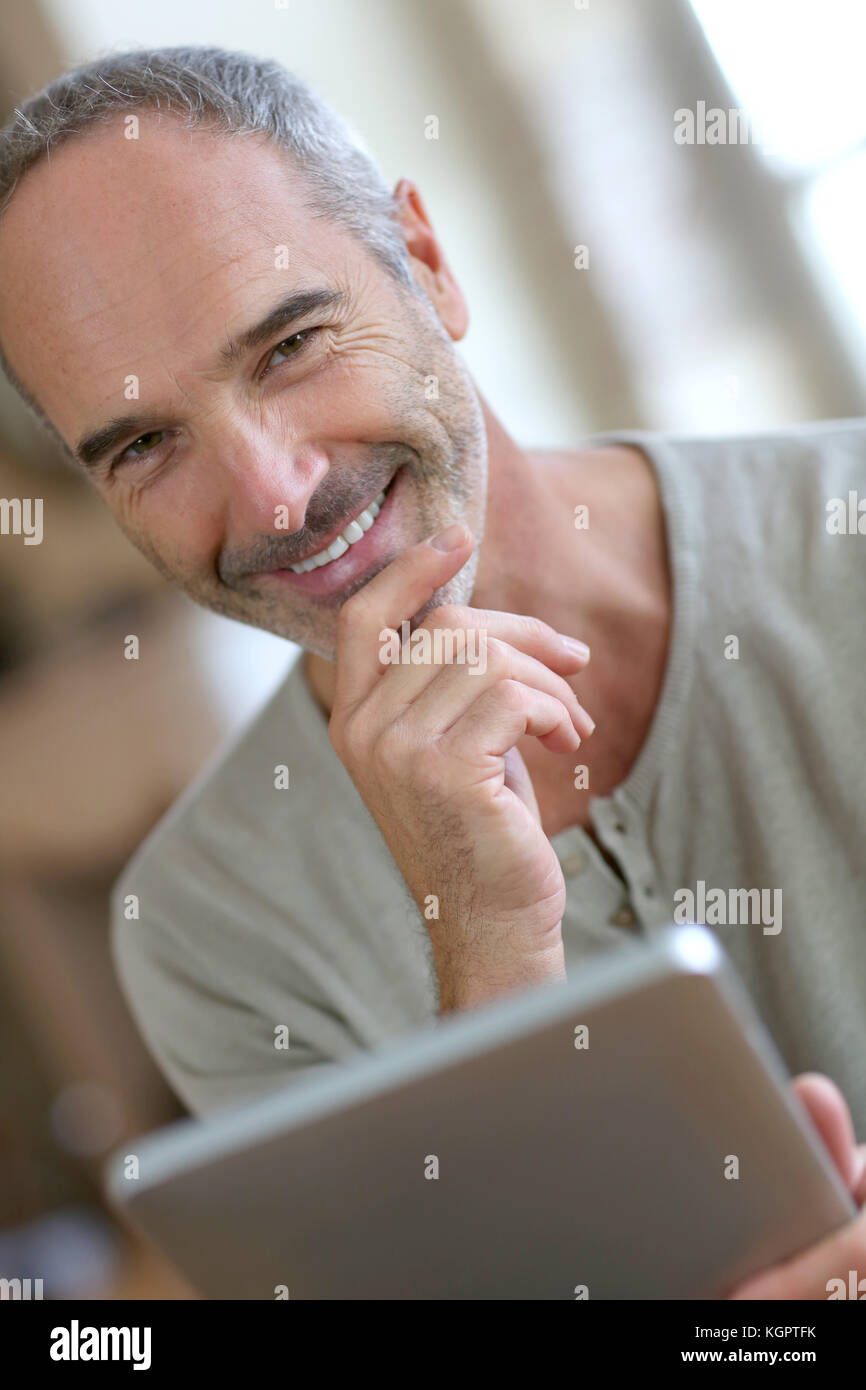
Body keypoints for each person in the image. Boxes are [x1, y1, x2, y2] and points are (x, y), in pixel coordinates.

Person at [0, 47, 863, 1300]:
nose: (275, 494)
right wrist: (484, 945)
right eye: (144, 444)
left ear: (429, 262)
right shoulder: (210, 936)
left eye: (290, 343)